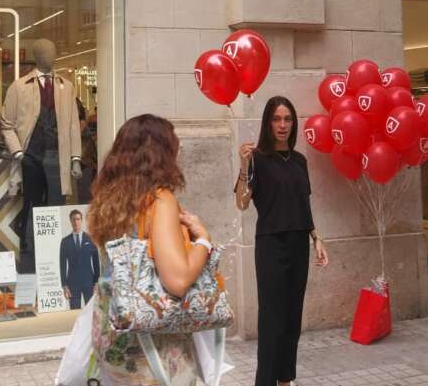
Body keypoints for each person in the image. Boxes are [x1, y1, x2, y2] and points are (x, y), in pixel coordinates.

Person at [88, 114, 213, 386]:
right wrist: (203, 240)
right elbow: (177, 280)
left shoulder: (107, 198)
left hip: (112, 332)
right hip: (150, 341)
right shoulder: (159, 200)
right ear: (162, 153)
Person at [235, 96, 329, 386]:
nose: (282, 125)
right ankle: (264, 382)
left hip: (299, 243)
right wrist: (243, 164)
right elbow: (241, 203)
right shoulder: (258, 159)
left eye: (287, 119)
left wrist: (316, 237)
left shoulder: (299, 161)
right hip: (271, 245)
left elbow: (303, 204)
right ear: (267, 122)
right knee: (271, 318)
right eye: (276, 119)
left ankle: (285, 379)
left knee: (292, 317)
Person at [59, 209, 100, 309]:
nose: (76, 222)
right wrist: (64, 285)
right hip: (72, 283)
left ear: (81, 221)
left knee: (91, 312)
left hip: (88, 282)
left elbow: (96, 262)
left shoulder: (90, 239)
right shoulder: (65, 241)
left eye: (78, 219)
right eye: (73, 219)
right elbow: (62, 264)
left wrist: (96, 282)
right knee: (75, 313)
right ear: (70, 221)